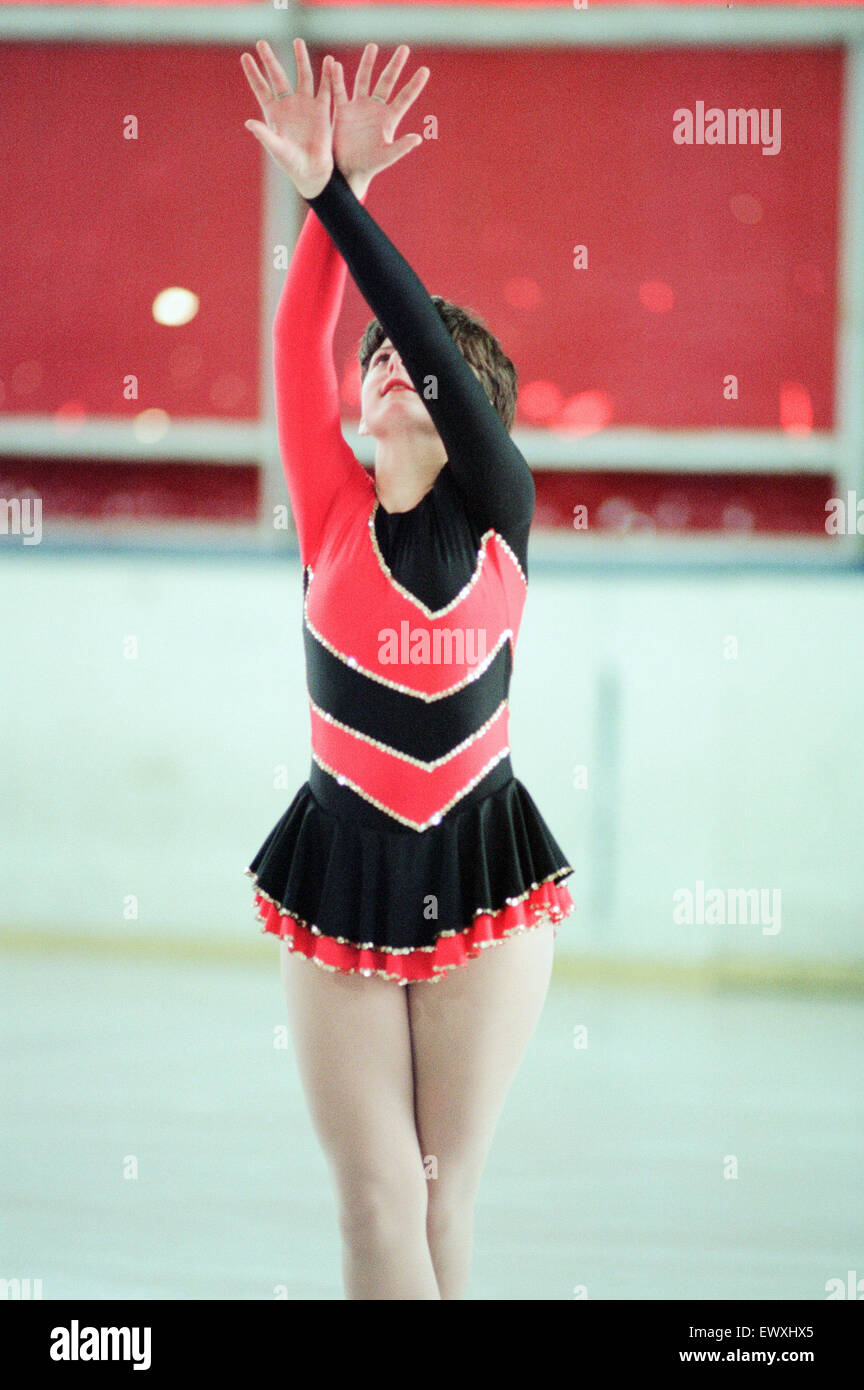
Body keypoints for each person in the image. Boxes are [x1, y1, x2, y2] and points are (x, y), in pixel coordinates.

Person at [241, 37, 575, 1300]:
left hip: (484, 872)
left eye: (415, 361)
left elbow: (418, 334)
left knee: (445, 1198)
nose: (388, 363)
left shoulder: (500, 502)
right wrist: (338, 192)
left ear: (464, 403)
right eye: (372, 359)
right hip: (340, 865)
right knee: (378, 1203)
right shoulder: (331, 509)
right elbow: (299, 341)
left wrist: (337, 195)